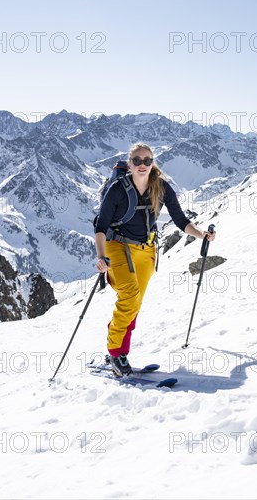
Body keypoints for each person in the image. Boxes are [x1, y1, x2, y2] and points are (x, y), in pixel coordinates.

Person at [95, 142, 216, 376]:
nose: (142, 165)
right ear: (129, 164)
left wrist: (202, 234)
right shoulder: (118, 189)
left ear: (153, 163)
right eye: (137, 160)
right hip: (116, 246)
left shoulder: (160, 188)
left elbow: (181, 220)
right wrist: (101, 257)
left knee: (135, 303)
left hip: (146, 250)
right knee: (129, 294)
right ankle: (114, 352)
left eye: (147, 160)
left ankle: (120, 351)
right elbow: (100, 226)